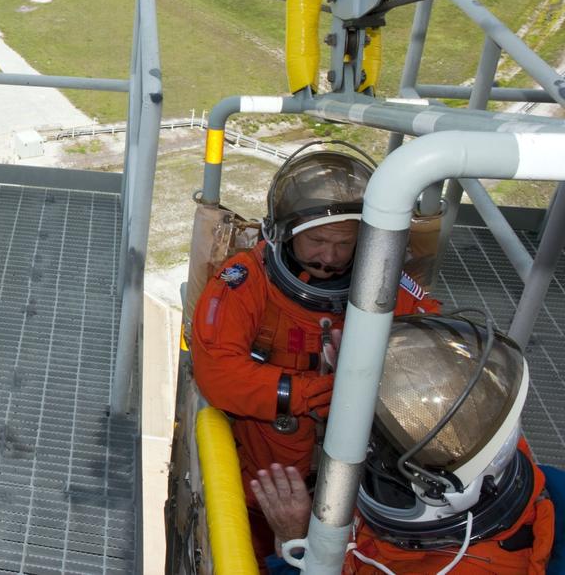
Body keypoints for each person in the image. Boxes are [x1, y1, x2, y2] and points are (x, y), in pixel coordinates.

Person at [191, 141, 440, 563]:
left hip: (360, 497)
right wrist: (305, 394)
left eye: (344, 244)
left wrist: (374, 380)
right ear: (284, 233)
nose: (330, 256)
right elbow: (217, 371)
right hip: (262, 488)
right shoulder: (245, 283)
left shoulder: (387, 288)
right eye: (318, 241)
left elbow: (434, 354)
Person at [253, 314, 555, 574]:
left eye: (380, 454)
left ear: (441, 495)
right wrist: (363, 381)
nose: (368, 451)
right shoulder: (477, 442)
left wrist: (294, 544)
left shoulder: (457, 566)